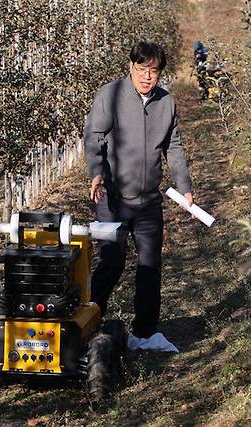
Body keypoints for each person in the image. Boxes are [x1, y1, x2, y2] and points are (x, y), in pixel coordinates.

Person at [83, 41, 194, 352]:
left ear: (160, 73)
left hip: (148, 202)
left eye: (154, 71)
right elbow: (93, 138)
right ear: (131, 66)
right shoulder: (111, 95)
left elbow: (173, 146)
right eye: (142, 69)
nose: (147, 76)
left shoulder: (166, 103)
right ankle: (88, 322)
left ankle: (144, 333)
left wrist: (184, 185)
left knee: (149, 266)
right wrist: (96, 171)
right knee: (112, 262)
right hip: (113, 199)